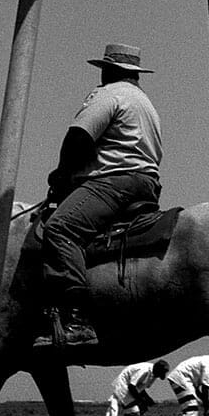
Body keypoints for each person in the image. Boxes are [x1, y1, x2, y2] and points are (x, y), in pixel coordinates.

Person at [36, 43, 162, 352]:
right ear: (135, 73)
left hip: (114, 182)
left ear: (108, 70)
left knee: (60, 229)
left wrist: (62, 174)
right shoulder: (144, 102)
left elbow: (79, 138)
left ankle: (76, 321)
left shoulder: (108, 95)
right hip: (147, 183)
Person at [105, 359, 170, 416]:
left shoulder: (153, 374)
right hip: (124, 386)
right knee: (134, 412)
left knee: (143, 408)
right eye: (160, 374)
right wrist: (141, 400)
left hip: (131, 388)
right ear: (157, 369)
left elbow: (141, 388)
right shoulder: (144, 370)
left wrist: (148, 399)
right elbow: (132, 386)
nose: (159, 377)